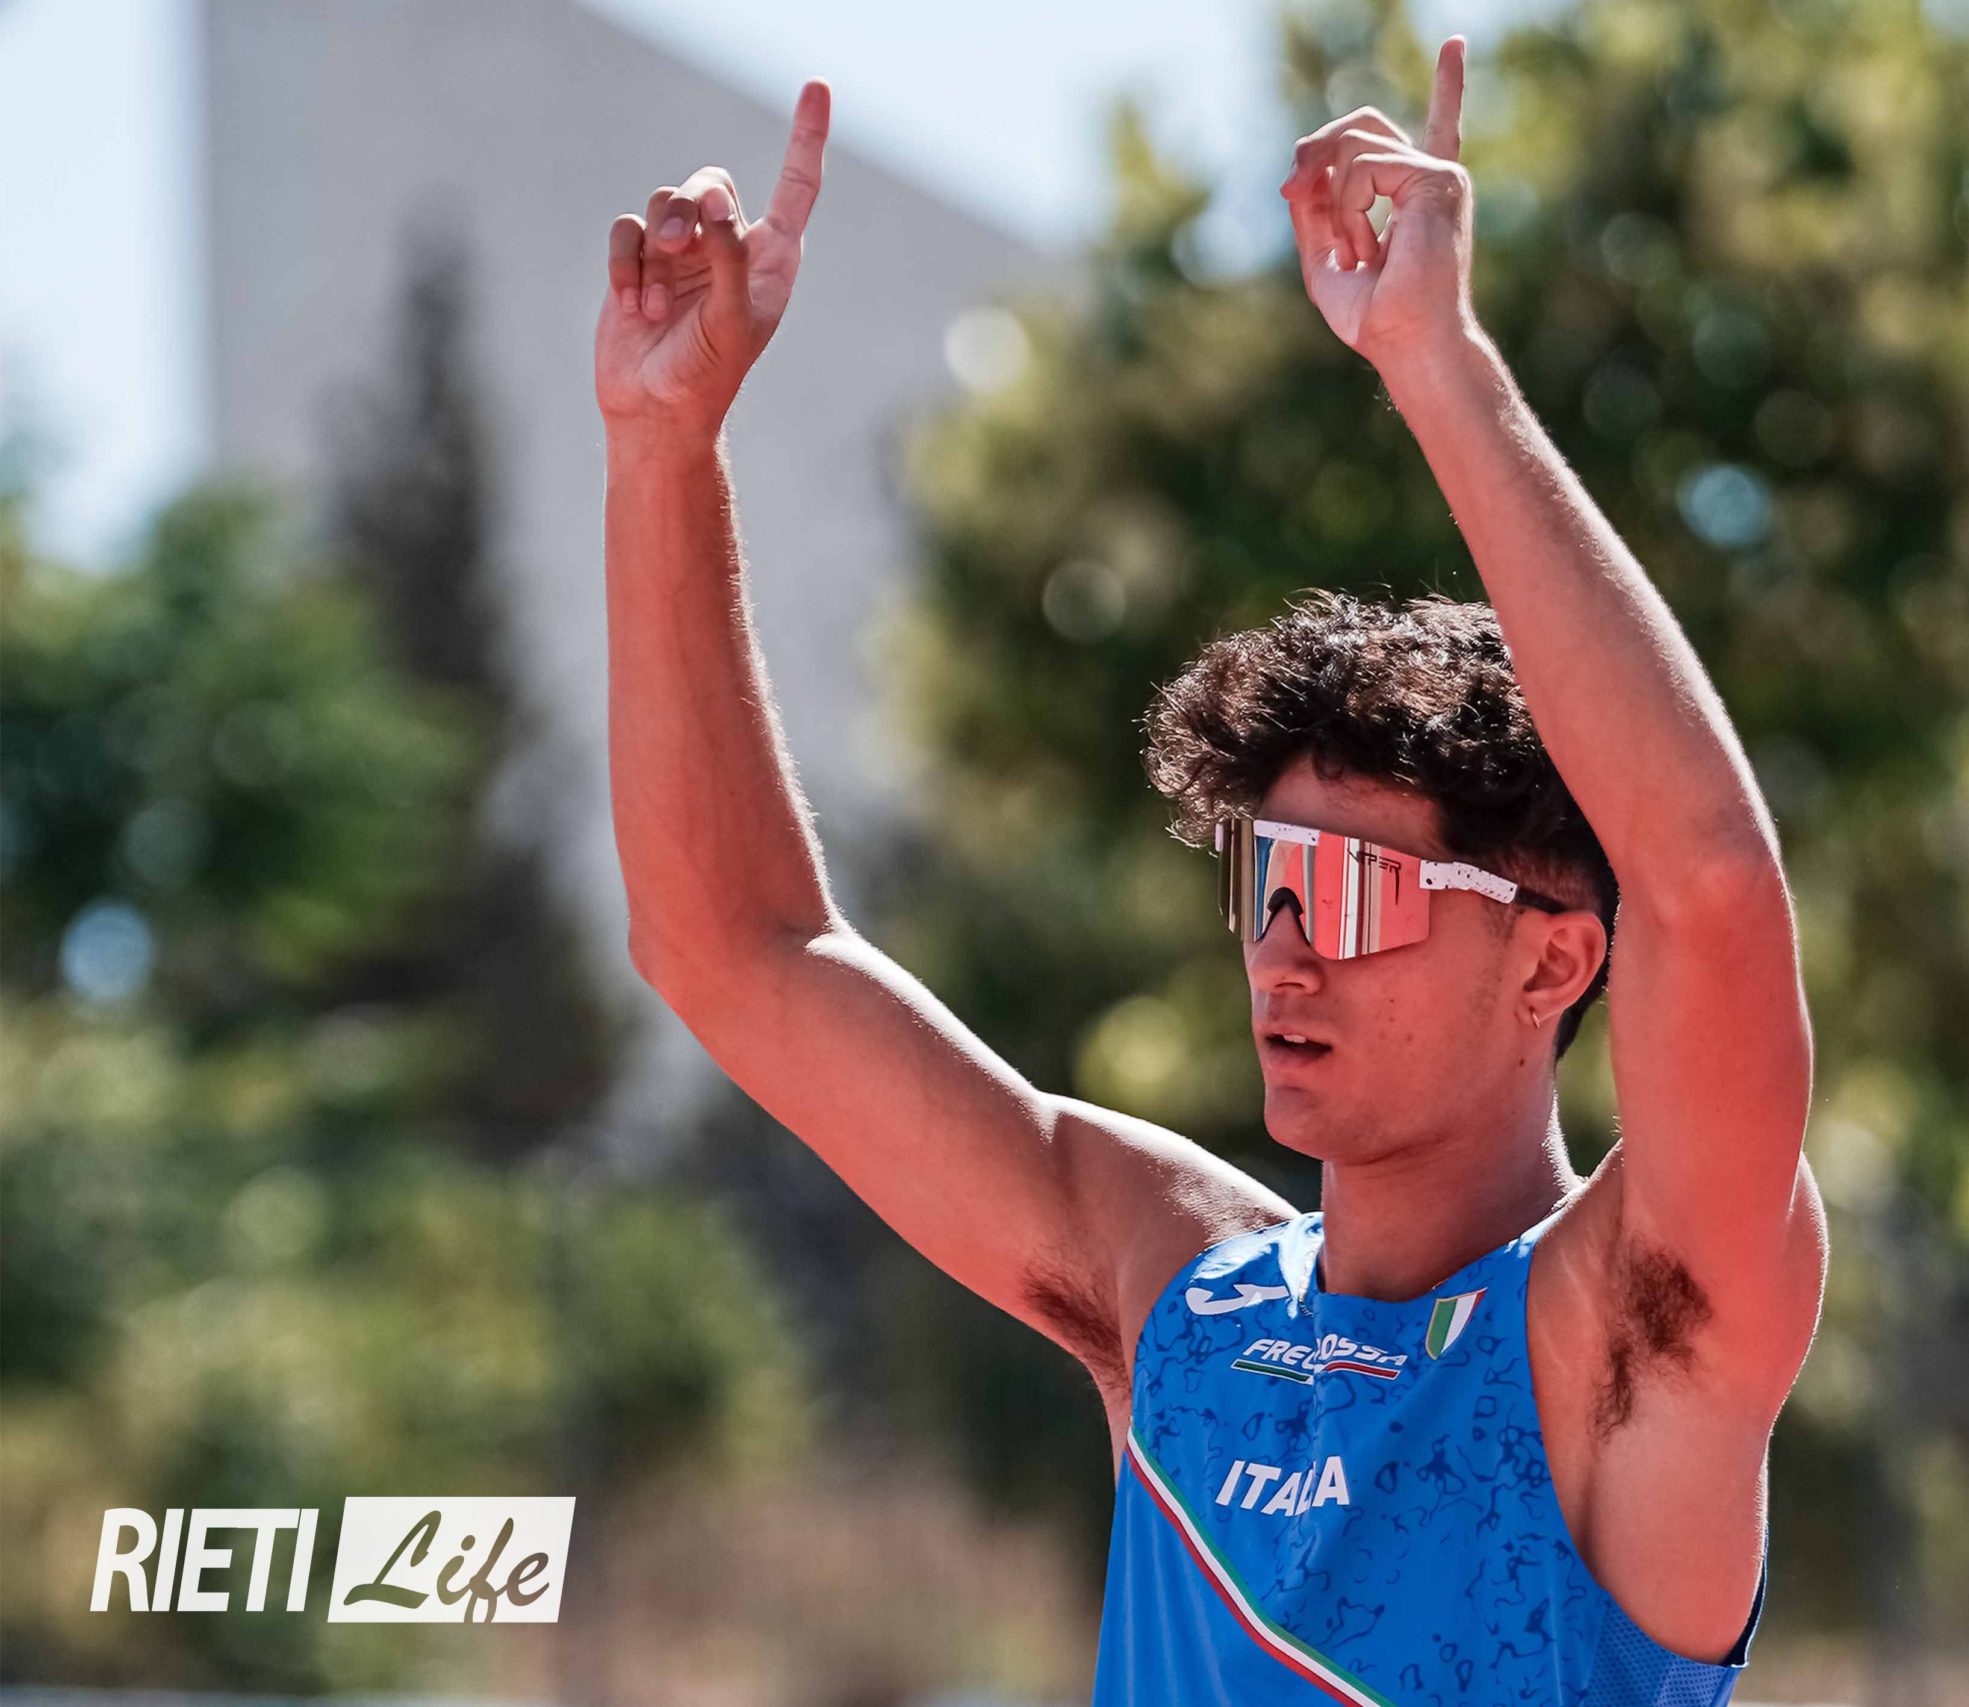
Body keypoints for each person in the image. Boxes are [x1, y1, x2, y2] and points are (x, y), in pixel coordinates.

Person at [596, 37, 1823, 1704]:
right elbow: (733, 951)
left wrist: (1437, 363)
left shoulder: (1626, 1335)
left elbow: (1709, 892)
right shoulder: (1177, 1284)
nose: (1289, 950)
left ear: (1553, 957)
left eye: (1363, 894)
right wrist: (665, 448)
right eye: (1270, 881)